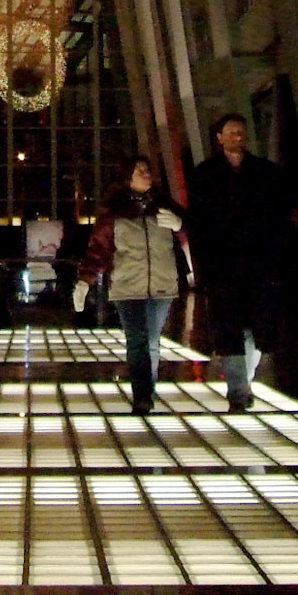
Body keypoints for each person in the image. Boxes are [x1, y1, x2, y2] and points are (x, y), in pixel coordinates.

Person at [188, 111, 294, 410]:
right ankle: (238, 389)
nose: (238, 136)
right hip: (223, 266)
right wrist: (205, 265)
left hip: (259, 264)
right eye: (232, 132)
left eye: (241, 132)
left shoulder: (266, 173)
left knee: (257, 328)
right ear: (219, 137)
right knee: (229, 327)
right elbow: (199, 224)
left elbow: (279, 217)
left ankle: (242, 382)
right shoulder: (206, 174)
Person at [73, 154, 185, 413]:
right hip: (127, 285)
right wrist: (84, 280)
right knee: (138, 341)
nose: (147, 174)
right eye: (140, 171)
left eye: (148, 170)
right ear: (128, 178)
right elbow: (99, 248)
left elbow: (190, 233)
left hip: (161, 283)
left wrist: (180, 226)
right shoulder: (115, 212)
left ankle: (147, 389)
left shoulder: (164, 205)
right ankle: (142, 395)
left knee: (152, 341)